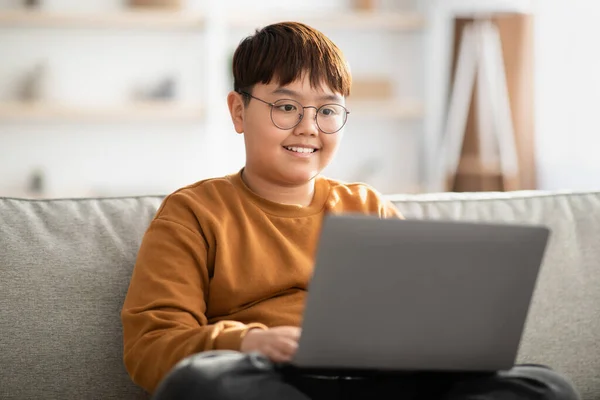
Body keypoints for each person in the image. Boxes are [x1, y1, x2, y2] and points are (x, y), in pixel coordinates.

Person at [121, 21, 580, 400]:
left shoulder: (366, 207)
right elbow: (150, 347)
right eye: (285, 106)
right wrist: (247, 340)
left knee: (545, 386)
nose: (308, 127)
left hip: (381, 381)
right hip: (275, 381)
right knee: (201, 384)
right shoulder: (193, 212)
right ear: (239, 112)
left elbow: (422, 314)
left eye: (327, 111)